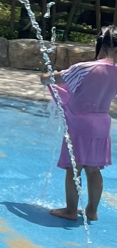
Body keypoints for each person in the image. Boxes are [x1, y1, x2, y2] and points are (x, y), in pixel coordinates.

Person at [43, 25, 117, 221]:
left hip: (80, 123)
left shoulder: (85, 68)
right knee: (94, 170)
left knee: (74, 169)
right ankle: (92, 211)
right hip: (103, 123)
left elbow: (49, 79)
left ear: (100, 44)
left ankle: (70, 210)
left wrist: (45, 75)